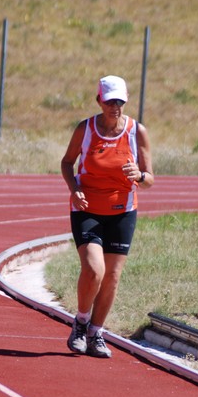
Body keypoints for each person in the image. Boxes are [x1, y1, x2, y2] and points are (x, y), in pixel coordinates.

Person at [61, 75, 154, 358]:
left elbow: (150, 179)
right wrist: (74, 188)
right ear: (98, 100)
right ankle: (80, 322)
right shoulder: (85, 129)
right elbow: (67, 162)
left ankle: (96, 332)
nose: (115, 106)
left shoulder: (137, 132)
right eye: (109, 100)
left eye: (120, 101)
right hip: (87, 208)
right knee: (94, 271)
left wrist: (139, 176)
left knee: (112, 276)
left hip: (122, 212)